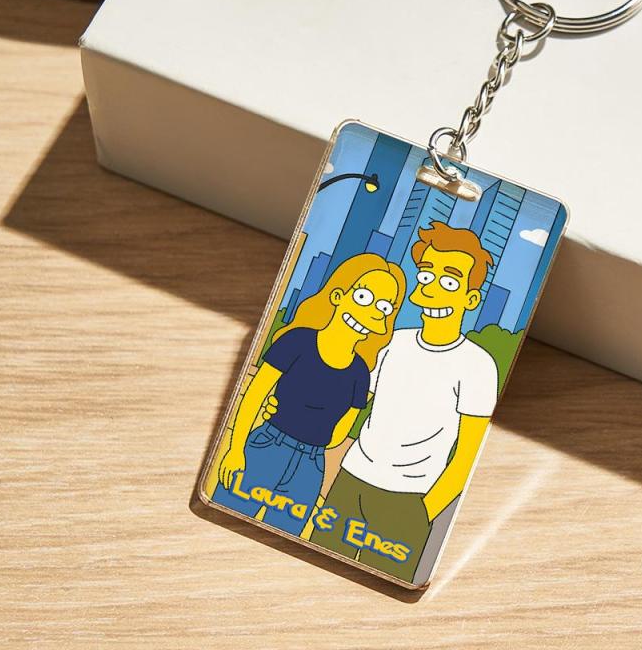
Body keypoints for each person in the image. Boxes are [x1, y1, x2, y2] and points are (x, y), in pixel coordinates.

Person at [310, 222, 499, 582]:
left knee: (383, 589)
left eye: (449, 282)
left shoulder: (478, 365)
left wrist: (421, 514)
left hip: (408, 499)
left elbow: (465, 459)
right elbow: (353, 408)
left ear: (471, 299)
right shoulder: (395, 342)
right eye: (427, 276)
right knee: (314, 567)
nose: (432, 289)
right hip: (350, 482)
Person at [212, 253, 405, 536]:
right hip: (266, 447)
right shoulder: (297, 341)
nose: (374, 312)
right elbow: (254, 395)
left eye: (384, 307)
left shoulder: (360, 373)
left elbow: (340, 432)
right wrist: (235, 449)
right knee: (224, 519)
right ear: (338, 296)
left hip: (310, 466)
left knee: (284, 538)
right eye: (364, 297)